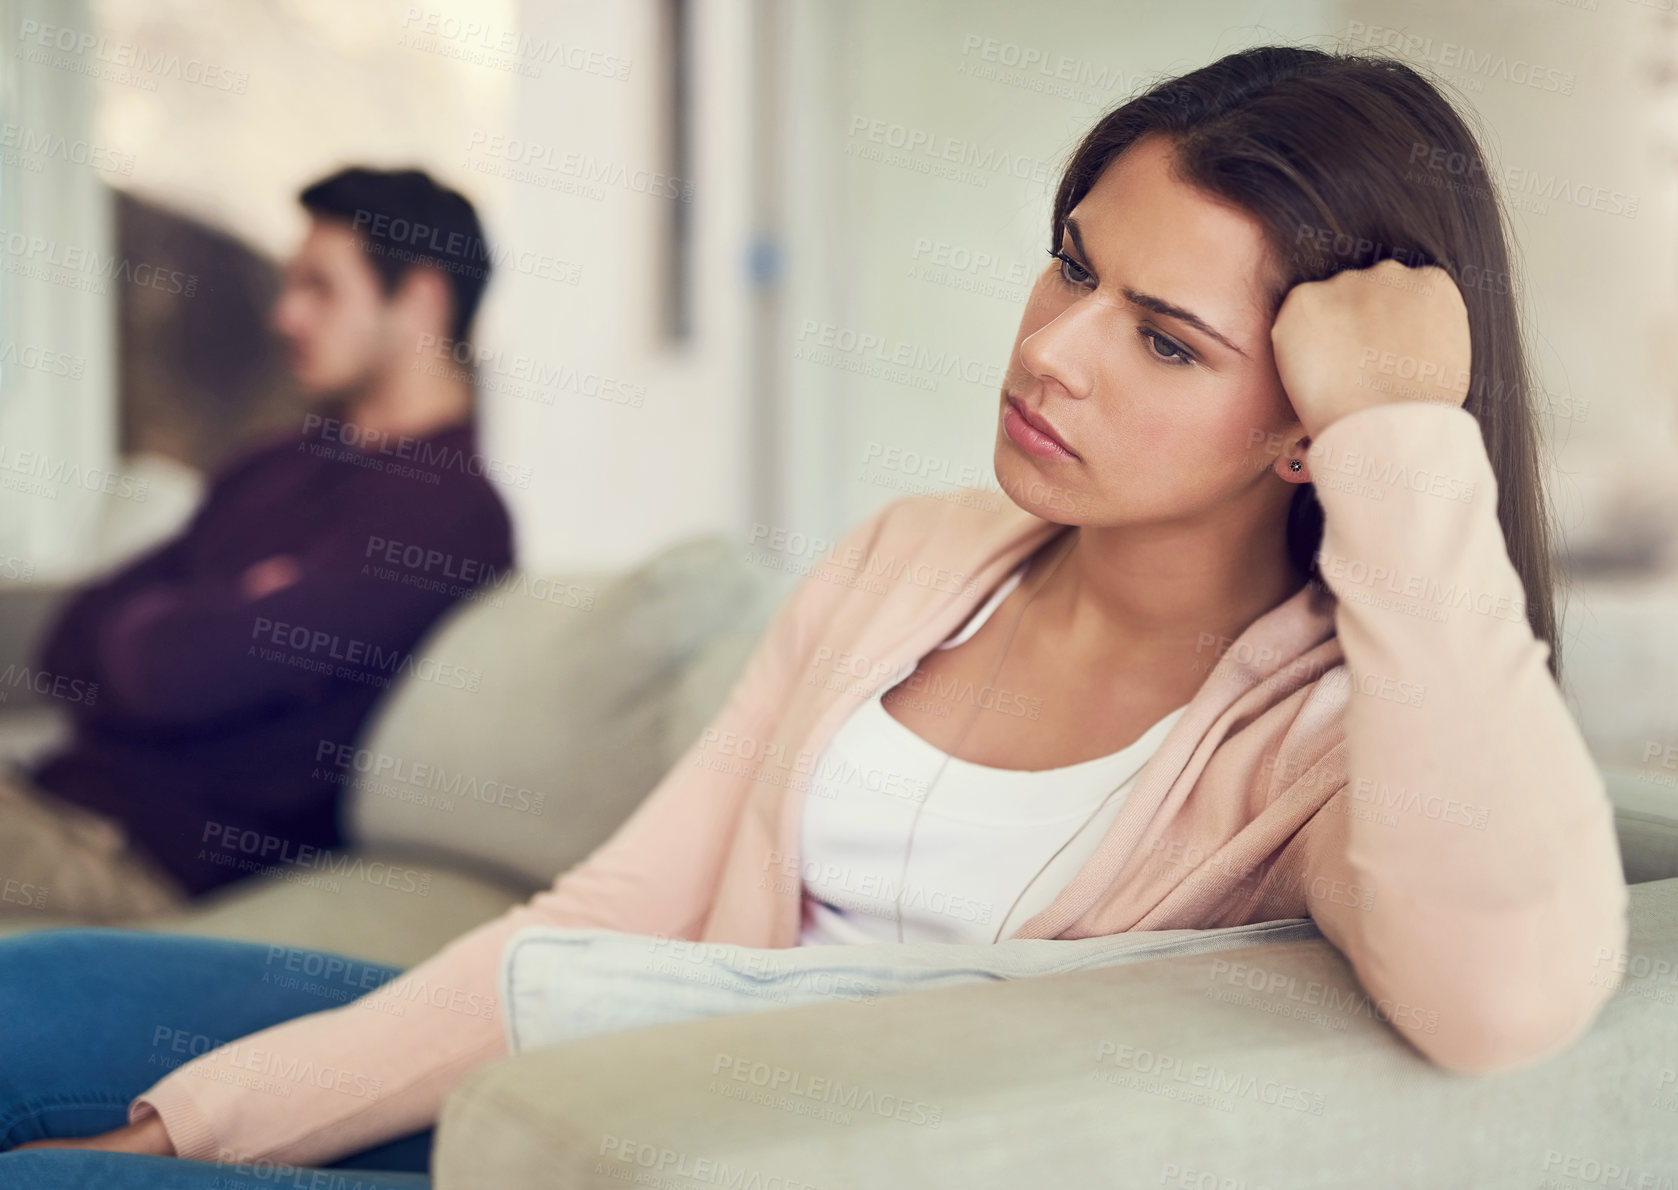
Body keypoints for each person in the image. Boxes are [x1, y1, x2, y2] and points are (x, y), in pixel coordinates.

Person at [0, 46, 1627, 1188]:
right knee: (34, 1001)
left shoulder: (1330, 744)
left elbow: (1504, 1002)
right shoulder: (911, 555)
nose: (1052, 348)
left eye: (1165, 341)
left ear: (1305, 426)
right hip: (604, 1056)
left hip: (700, 1150)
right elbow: (613, 913)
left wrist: (1411, 437)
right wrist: (199, 1124)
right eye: (1069, 267)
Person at [0, 167, 515, 922]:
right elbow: (72, 635)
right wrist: (209, 613)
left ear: (421, 303)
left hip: (142, 859)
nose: (285, 317)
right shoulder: (277, 463)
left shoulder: (446, 515)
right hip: (48, 800)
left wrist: (175, 621)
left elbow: (180, 679)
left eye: (320, 288)